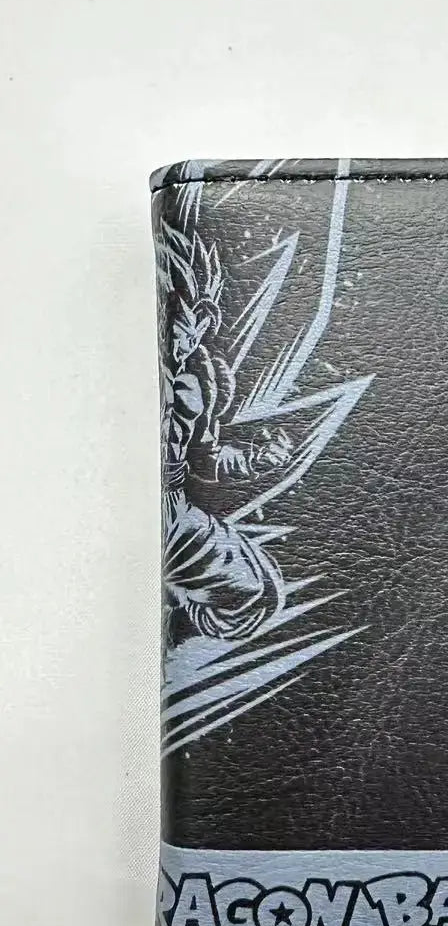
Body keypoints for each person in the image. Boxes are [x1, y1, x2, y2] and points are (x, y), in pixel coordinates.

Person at [158, 223, 293, 644]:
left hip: (173, 508)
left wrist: (252, 458)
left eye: (190, 316)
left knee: (258, 592)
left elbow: (206, 459)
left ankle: (180, 613)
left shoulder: (197, 381)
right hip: (124, 507)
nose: (181, 327)